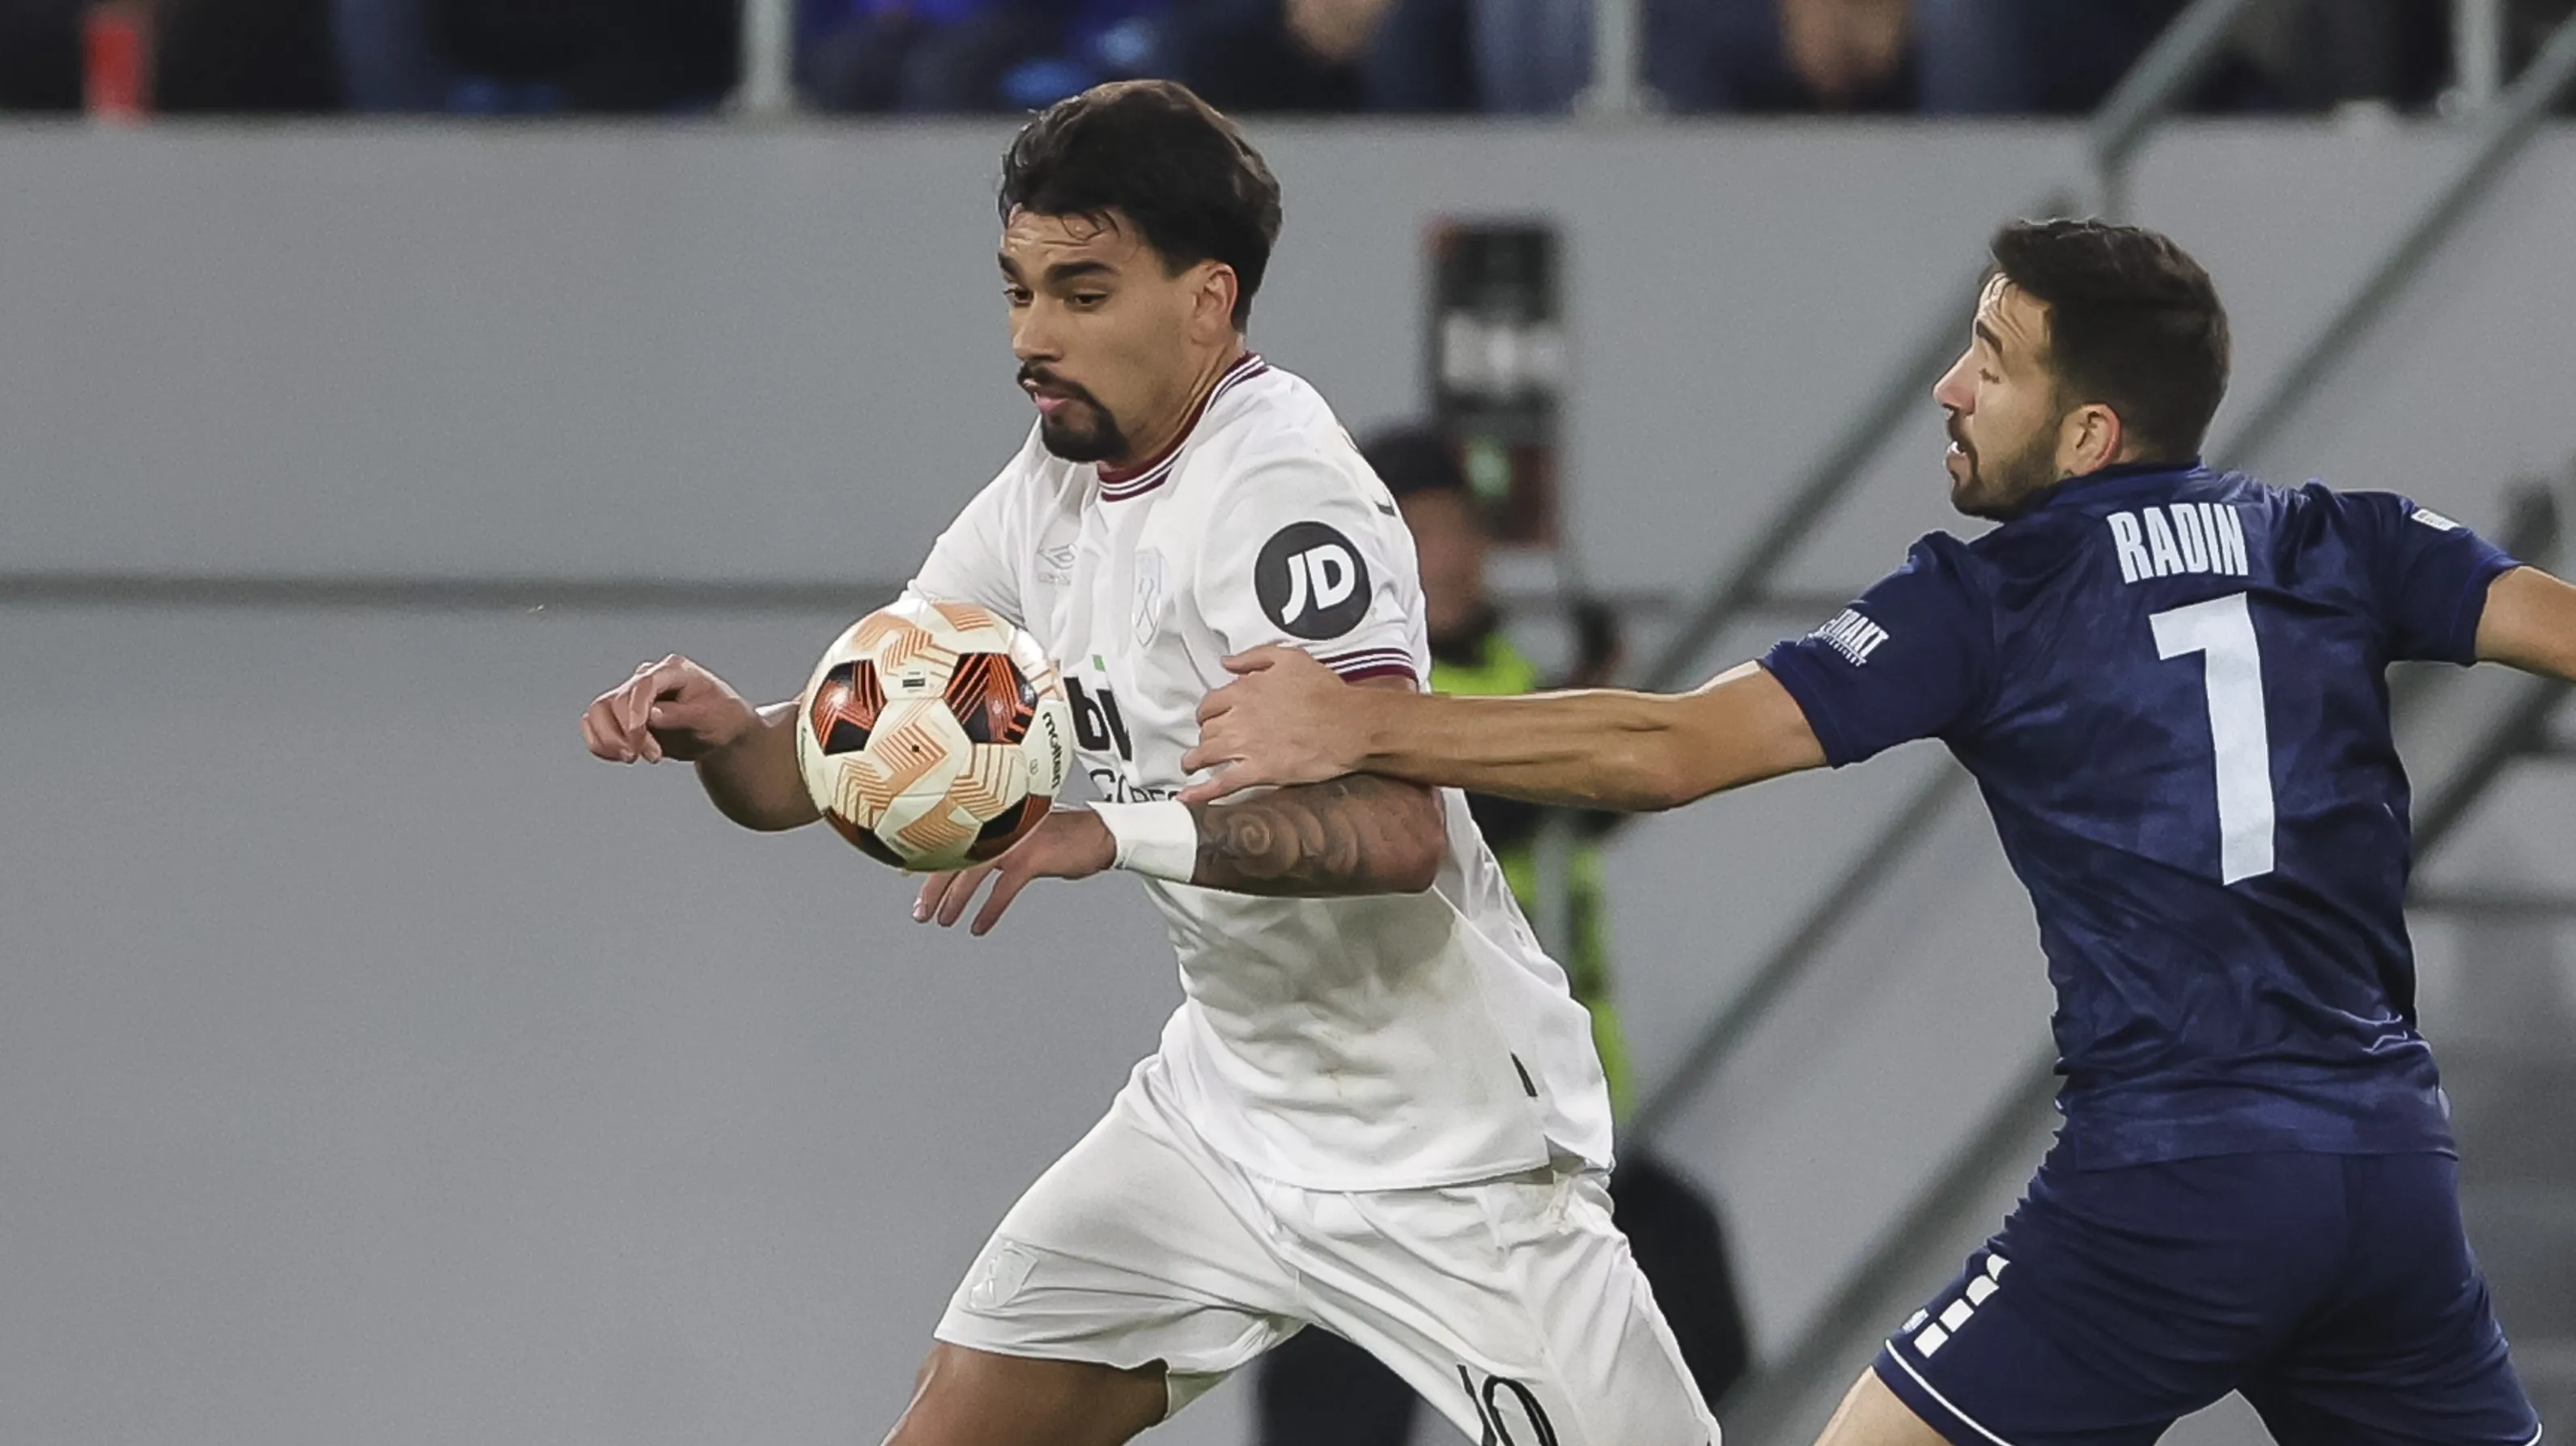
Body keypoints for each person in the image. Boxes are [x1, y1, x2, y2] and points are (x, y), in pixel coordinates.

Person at [1186, 218, 2566, 1446]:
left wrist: (1360, 722)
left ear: (2086, 434)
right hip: (2386, 1168)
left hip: (2172, 1179)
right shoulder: (2341, 538)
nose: (1947, 386)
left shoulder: (1993, 596)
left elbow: (1669, 750)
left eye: (1990, 362)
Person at [578, 80, 1718, 1446]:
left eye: (1081, 292)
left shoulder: (1278, 492)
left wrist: (1108, 830)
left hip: (1445, 1148)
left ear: (1205, 300)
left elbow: (1393, 830)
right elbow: (825, 764)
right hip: (1222, 1113)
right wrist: (730, 737)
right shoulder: (1049, 486)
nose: (1031, 336)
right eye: (1017, 291)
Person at [1250, 426, 1751, 1446]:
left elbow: (1578, 803)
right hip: (1409, 1124)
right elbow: (1459, 801)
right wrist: (1585, 731)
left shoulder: (1523, 679)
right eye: (1419, 531)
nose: (1450, 554)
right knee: (1343, 1372)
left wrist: (1598, 700)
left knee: (1688, 1301)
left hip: (1557, 1118)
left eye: (1460, 528)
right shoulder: (1357, 696)